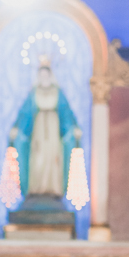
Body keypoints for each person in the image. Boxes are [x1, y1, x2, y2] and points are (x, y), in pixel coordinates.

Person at [9, 58, 81, 201]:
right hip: (38, 130)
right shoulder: (34, 92)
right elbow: (24, 113)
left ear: (50, 75)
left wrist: (73, 127)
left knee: (54, 158)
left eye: (46, 74)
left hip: (54, 131)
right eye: (41, 75)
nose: (44, 77)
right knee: (37, 158)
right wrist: (17, 127)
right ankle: (35, 189)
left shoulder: (57, 92)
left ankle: (54, 189)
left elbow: (66, 112)